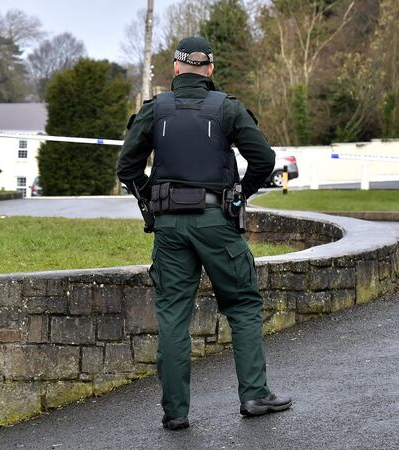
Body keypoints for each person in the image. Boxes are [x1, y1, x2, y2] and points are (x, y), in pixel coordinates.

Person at [116, 36, 292, 430]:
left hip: (170, 229)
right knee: (243, 305)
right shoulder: (227, 108)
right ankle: (254, 395)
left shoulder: (154, 110)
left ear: (176, 69)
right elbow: (263, 159)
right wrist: (240, 195)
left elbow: (126, 167)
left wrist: (152, 200)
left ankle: (175, 412)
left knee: (174, 316)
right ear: (209, 70)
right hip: (217, 223)